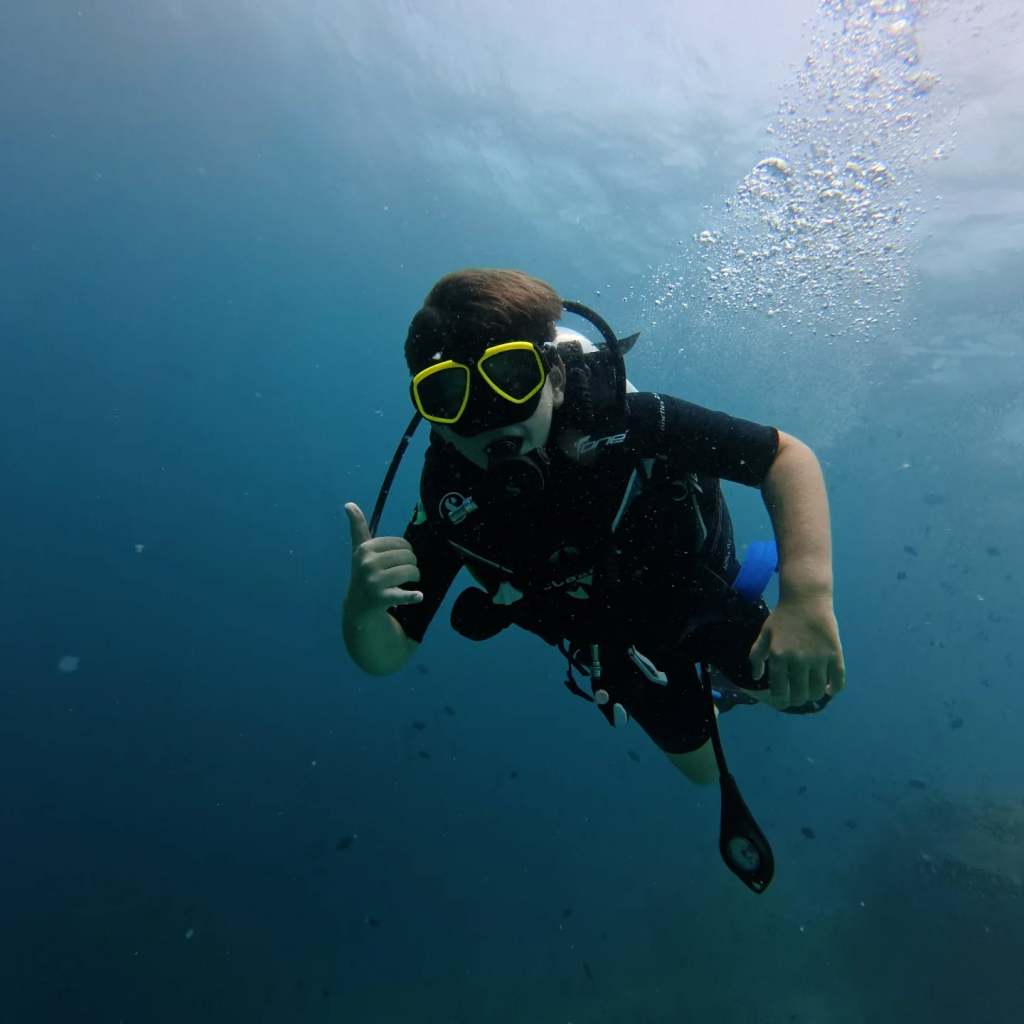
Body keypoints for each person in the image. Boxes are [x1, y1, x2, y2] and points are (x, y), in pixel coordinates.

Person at [342, 268, 845, 891]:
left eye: (513, 377)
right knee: (701, 772)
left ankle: (730, 677)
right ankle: (716, 693)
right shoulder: (450, 499)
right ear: (428, 412)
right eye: (447, 397)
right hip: (604, 636)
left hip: (694, 588)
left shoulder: (630, 420)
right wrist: (362, 609)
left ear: (553, 373)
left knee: (809, 692)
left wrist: (807, 597)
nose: (488, 420)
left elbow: (783, 457)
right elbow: (387, 653)